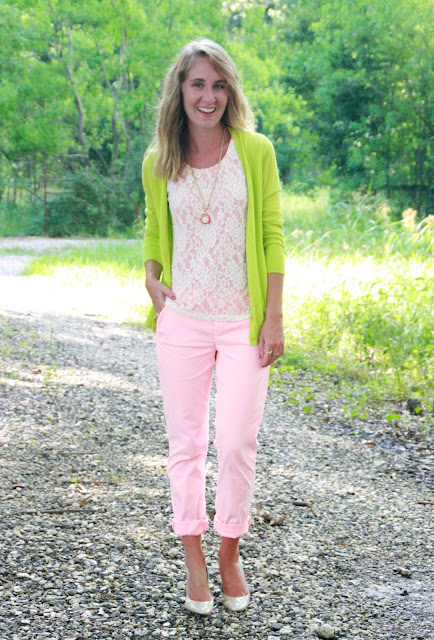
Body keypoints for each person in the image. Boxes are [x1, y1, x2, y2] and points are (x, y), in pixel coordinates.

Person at [141, 38, 285, 615]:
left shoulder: (255, 150)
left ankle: (229, 552)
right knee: (187, 446)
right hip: (182, 321)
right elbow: (154, 227)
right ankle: (194, 558)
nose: (209, 96)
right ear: (180, 90)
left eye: (219, 85)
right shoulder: (159, 160)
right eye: (198, 83)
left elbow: (272, 233)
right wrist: (151, 277)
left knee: (236, 442)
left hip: (243, 323)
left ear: (231, 92)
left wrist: (274, 317)